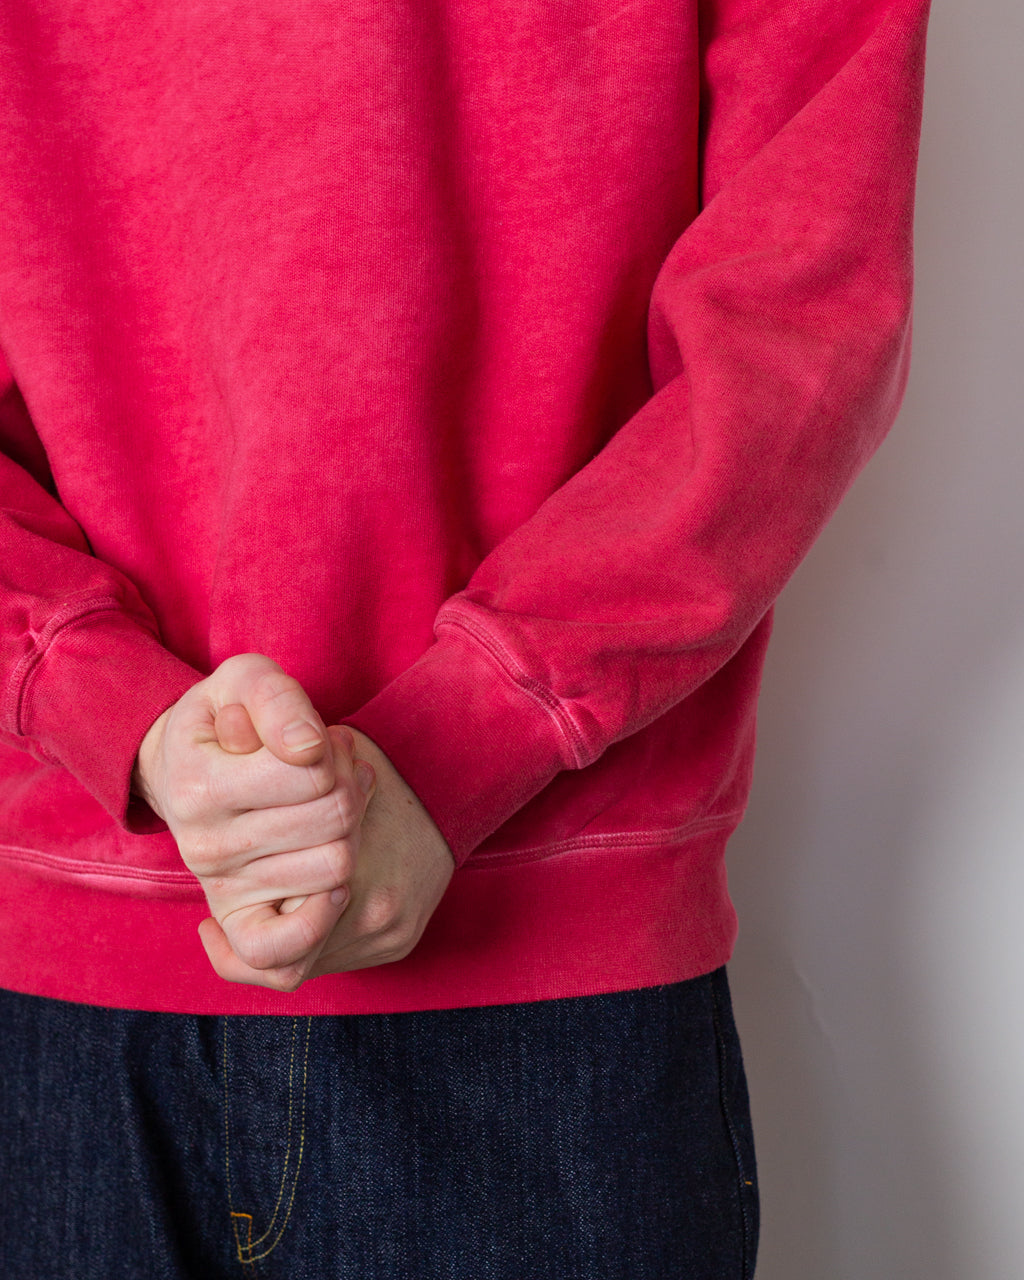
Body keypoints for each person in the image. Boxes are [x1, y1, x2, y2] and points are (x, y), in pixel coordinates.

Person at [0, 0, 932, 1275]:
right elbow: (796, 315)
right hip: (106, 980)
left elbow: (795, 314)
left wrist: (458, 734)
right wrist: (105, 700)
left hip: (522, 978)